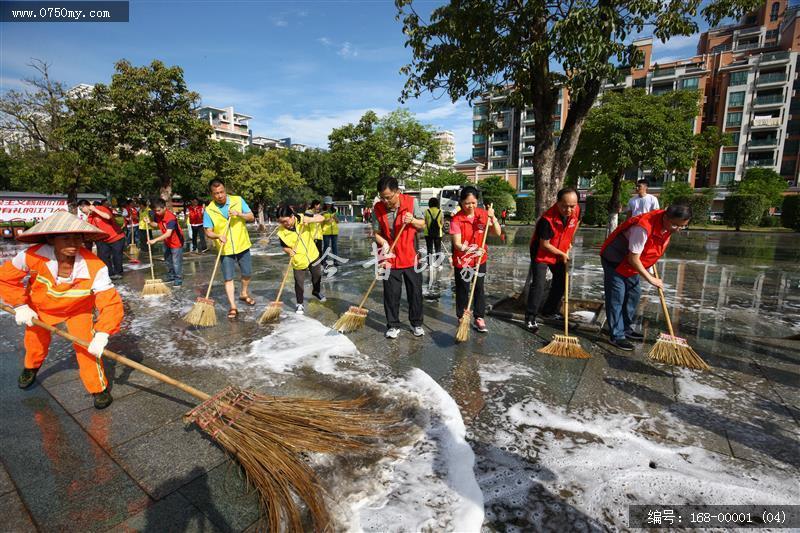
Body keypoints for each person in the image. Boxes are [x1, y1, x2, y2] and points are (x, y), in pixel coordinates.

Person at [0, 211, 124, 409]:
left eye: (78, 238)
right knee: (34, 342)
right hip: (40, 308)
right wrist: (20, 305)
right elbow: (5, 278)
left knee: (87, 347)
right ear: (51, 238)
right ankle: (30, 368)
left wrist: (102, 334)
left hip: (78, 309)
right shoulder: (31, 256)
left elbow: (110, 302)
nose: (73, 243)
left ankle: (98, 388)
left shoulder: (95, 266)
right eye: (66, 238)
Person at [600, 204, 692, 351]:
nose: (678, 229)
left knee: (634, 295)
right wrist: (650, 278)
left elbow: (653, 246)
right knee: (617, 297)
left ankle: (625, 328)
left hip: (630, 262)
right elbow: (633, 258)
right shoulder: (643, 227)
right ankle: (616, 335)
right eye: (675, 225)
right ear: (666, 217)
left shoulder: (668, 224)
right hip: (616, 258)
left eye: (682, 226)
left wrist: (651, 261)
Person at [372, 176, 426, 338]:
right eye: (382, 197)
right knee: (391, 294)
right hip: (390, 257)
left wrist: (413, 220)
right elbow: (376, 233)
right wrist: (384, 244)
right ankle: (393, 325)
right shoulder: (378, 208)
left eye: (388, 197)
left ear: (397, 192)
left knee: (415, 293)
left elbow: (422, 224)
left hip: (410, 256)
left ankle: (416, 323)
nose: (385, 201)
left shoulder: (411, 203)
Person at [524, 187, 581, 332]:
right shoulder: (547, 219)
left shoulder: (576, 210)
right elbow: (545, 244)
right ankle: (530, 317)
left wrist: (569, 241)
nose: (568, 210)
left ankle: (549, 311)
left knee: (562, 281)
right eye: (565, 206)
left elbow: (575, 225)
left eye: (572, 206)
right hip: (542, 252)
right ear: (558, 203)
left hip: (560, 249)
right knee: (539, 284)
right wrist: (562, 254)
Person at [450, 187, 502, 333]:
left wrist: (493, 218)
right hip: (463, 260)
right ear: (461, 202)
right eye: (467, 203)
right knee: (463, 289)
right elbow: (457, 244)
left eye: (473, 202)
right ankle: (462, 316)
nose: (471, 206)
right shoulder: (456, 220)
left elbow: (497, 232)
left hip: (480, 259)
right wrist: (472, 250)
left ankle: (479, 317)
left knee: (479, 288)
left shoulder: (483, 214)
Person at [203, 178, 256, 319]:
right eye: (216, 193)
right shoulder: (209, 210)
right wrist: (217, 236)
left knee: (247, 273)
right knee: (228, 278)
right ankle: (233, 306)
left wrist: (240, 214)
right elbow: (208, 231)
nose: (219, 195)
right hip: (225, 249)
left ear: (225, 190)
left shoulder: (238, 200)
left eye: (221, 192)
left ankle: (244, 293)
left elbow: (251, 217)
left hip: (242, 244)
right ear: (212, 194)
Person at [276, 206, 327, 314]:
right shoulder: (281, 232)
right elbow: (284, 246)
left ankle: (316, 292)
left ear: (292, 216)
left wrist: (310, 220)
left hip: (313, 255)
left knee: (317, 276)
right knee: (299, 283)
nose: (284, 224)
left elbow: (321, 218)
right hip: (298, 259)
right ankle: (299, 304)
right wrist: (289, 251)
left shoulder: (302, 217)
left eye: (285, 221)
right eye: (281, 222)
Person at [78, 199, 125, 280]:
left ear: (86, 206)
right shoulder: (89, 218)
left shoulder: (100, 208)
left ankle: (118, 273)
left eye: (82, 209)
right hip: (103, 240)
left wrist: (95, 209)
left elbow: (108, 216)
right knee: (103, 256)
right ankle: (110, 273)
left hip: (116, 237)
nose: (82, 211)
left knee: (116, 257)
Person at [147, 199, 185, 287]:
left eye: (158, 210)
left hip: (176, 242)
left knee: (176, 262)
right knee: (168, 260)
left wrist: (155, 240)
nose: (157, 212)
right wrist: (150, 222)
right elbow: (157, 225)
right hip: (167, 241)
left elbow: (168, 233)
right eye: (155, 211)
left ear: (164, 208)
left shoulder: (171, 217)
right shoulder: (158, 215)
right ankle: (171, 276)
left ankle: (178, 279)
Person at [424, 197, 444, 267]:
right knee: (438, 248)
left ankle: (429, 264)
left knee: (429, 248)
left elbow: (425, 222)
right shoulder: (440, 211)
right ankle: (439, 264)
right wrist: (439, 227)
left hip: (428, 232)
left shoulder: (426, 211)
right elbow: (442, 222)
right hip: (438, 233)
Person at [321, 197, 339, 263]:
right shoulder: (322, 211)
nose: (329, 205)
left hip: (334, 231)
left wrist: (335, 218)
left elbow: (337, 221)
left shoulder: (335, 210)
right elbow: (320, 221)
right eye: (328, 204)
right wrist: (326, 220)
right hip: (326, 231)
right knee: (326, 246)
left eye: (330, 204)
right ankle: (324, 260)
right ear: (325, 204)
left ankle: (336, 261)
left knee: (335, 246)